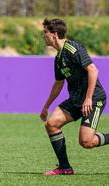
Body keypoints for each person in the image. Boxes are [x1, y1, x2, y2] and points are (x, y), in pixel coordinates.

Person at [40, 18, 109, 176]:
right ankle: (65, 168)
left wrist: (89, 98)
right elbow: (58, 84)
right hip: (76, 100)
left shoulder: (73, 48)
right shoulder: (58, 58)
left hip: (94, 98)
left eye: (45, 32)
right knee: (51, 124)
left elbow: (93, 70)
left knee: (86, 142)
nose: (44, 36)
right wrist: (45, 107)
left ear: (54, 34)